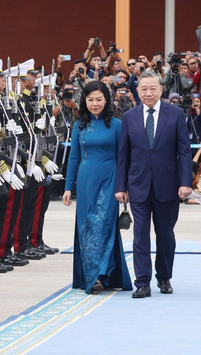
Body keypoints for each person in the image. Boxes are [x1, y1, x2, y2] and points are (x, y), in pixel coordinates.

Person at [116, 71, 192, 298]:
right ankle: (142, 281)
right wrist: (121, 186)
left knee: (165, 234)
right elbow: (124, 154)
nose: (148, 93)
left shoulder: (176, 114)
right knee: (140, 234)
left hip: (168, 184)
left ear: (161, 90)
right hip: (138, 184)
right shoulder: (129, 117)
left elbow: (184, 151)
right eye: (143, 89)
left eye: (153, 89)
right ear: (137, 92)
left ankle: (164, 277)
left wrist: (186, 182)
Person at [63, 81, 132, 294]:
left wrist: (124, 186)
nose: (95, 104)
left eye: (99, 99)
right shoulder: (79, 126)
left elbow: (124, 158)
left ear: (106, 100)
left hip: (110, 180)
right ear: (84, 100)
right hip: (85, 181)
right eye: (90, 99)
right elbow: (73, 157)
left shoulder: (117, 125)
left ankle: (99, 275)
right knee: (86, 227)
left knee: (103, 224)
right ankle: (92, 274)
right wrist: (67, 187)